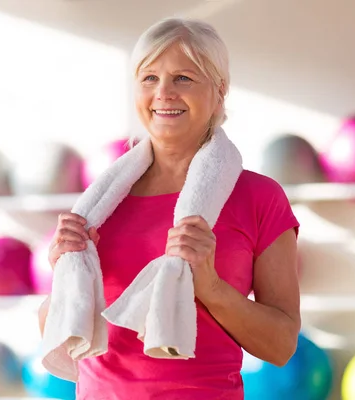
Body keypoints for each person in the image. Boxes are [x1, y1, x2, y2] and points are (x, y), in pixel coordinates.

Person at [38, 16, 300, 400]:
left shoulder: (259, 197)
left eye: (183, 78)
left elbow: (280, 346)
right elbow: (61, 332)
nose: (163, 93)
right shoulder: (99, 204)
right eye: (149, 78)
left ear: (219, 90)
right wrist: (61, 270)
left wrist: (210, 287)